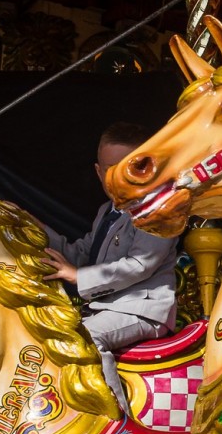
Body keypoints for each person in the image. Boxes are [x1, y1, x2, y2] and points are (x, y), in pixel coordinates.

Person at [42, 123, 179, 415]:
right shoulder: (108, 211)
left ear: (146, 167)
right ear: (98, 171)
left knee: (86, 337)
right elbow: (81, 254)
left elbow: (140, 264)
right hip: (109, 308)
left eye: (128, 167)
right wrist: (33, 228)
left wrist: (77, 276)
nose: (116, 176)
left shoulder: (158, 209)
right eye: (108, 169)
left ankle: (113, 417)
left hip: (142, 310)